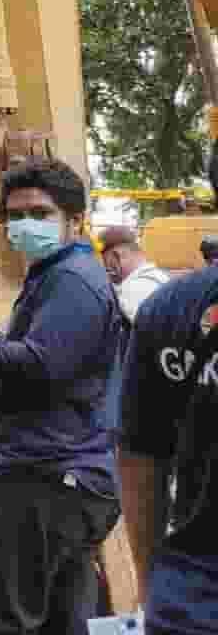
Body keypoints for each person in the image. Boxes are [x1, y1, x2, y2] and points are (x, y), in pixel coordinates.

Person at [0, 159, 122, 635]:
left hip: (45, 476)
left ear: (75, 220)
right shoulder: (54, 275)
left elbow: (41, 366)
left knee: (2, 618)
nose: (24, 226)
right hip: (58, 476)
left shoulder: (72, 280)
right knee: (61, 618)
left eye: (39, 213)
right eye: (15, 216)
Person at [116, 251, 218, 635]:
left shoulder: (170, 305)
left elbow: (140, 455)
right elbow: (141, 454)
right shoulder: (174, 309)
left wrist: (151, 582)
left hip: (192, 595)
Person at [98, 225, 170, 325]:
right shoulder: (161, 277)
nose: (105, 270)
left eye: (105, 262)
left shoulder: (131, 292)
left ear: (116, 257)